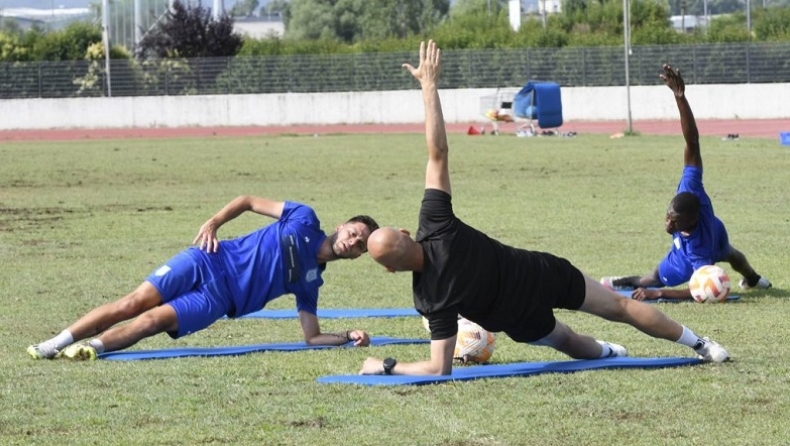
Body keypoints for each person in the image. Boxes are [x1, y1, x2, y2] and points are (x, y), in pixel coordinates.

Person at [359, 41, 729, 377]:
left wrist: (386, 365)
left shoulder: (429, 298)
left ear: (391, 269)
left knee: (565, 340)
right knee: (618, 307)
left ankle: (605, 351)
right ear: (406, 233)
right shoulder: (435, 222)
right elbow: (438, 151)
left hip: (517, 318)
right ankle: (701, 345)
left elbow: (438, 369)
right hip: (539, 271)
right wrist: (429, 86)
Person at [27, 195, 379, 360]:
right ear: (340, 226)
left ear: (359, 255)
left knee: (151, 321)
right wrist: (214, 222)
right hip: (208, 258)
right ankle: (54, 344)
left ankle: (91, 348)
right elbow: (247, 201)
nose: (353, 241)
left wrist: (348, 335)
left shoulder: (311, 281)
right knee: (132, 303)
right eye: (354, 232)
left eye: (360, 245)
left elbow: (311, 337)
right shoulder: (304, 217)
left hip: (217, 300)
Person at [600, 64, 771, 301]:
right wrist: (679, 97)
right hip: (716, 229)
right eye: (669, 215)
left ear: (691, 221)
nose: (668, 221)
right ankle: (753, 279)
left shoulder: (697, 251)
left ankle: (630, 283)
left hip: (690, 253)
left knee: (651, 280)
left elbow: (697, 290)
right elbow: (692, 142)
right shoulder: (690, 187)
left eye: (674, 221)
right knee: (731, 254)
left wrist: (658, 292)